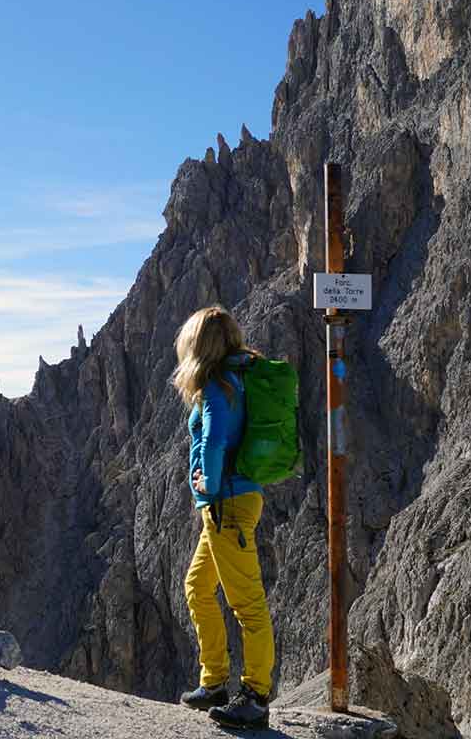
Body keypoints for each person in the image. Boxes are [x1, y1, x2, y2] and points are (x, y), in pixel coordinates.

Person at [174, 305, 275, 730]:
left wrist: (206, 487)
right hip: (231, 505)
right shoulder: (240, 379)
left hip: (226, 504)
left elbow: (214, 441)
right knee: (197, 587)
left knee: (247, 605)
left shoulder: (217, 387)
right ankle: (213, 681)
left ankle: (255, 696)